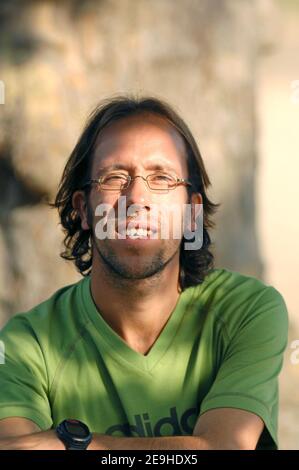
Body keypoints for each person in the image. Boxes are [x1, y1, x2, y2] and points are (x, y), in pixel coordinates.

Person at [0, 96, 288, 450]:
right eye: (114, 176)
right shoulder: (26, 344)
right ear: (84, 210)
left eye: (162, 177)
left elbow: (224, 447)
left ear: (191, 214)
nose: (136, 198)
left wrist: (73, 445)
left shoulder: (246, 310)